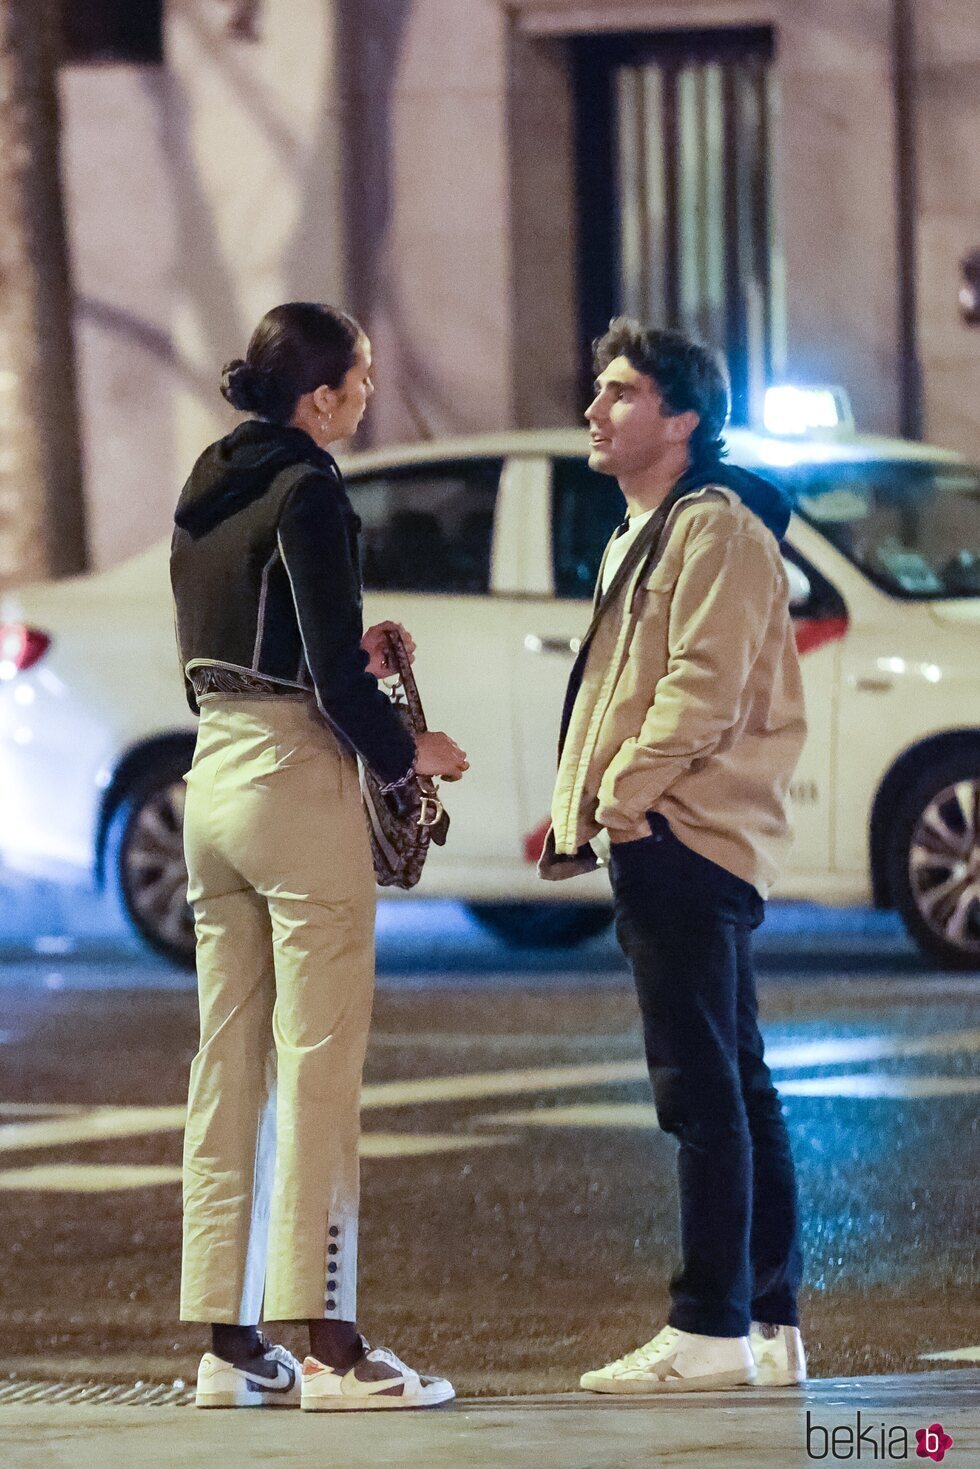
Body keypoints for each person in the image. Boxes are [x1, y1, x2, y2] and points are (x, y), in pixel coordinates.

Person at [170, 302, 468, 1411]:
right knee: (321, 1060)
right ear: (320, 398)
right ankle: (335, 1348)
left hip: (212, 775)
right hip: (296, 785)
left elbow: (247, 642)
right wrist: (409, 746)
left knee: (226, 1061)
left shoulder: (211, 475)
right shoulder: (313, 486)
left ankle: (229, 1342)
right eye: (362, 377)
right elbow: (339, 696)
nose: (369, 392)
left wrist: (347, 645)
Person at [539, 320, 808, 1394]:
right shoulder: (643, 532)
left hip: (685, 831)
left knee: (696, 1088)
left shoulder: (715, 531)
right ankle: (766, 1322)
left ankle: (707, 1326)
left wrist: (622, 797)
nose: (595, 412)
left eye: (619, 393)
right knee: (734, 1080)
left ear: (682, 416)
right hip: (673, 829)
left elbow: (702, 684)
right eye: (596, 392)